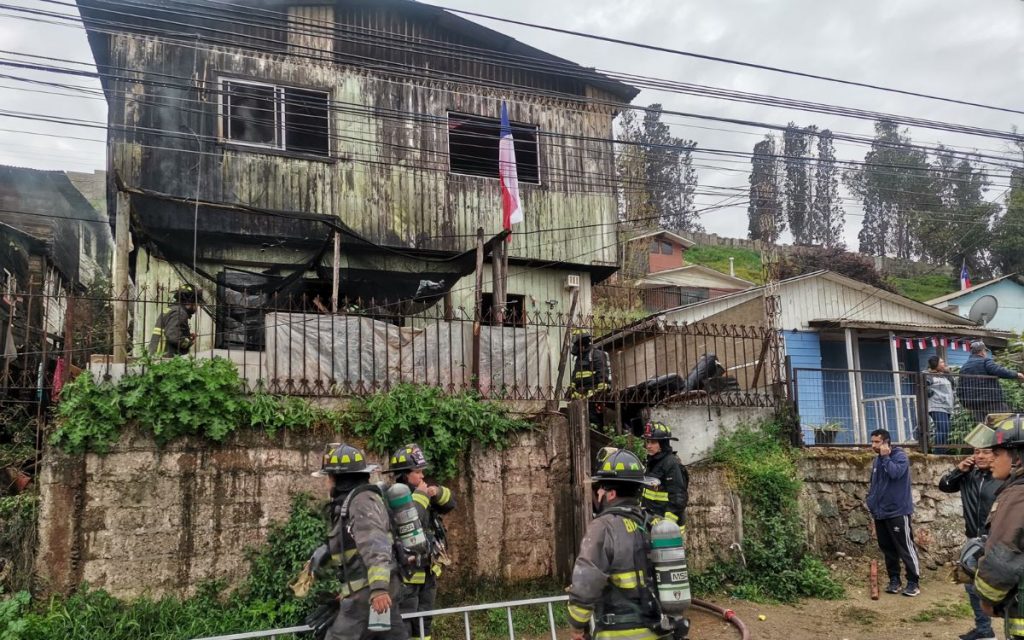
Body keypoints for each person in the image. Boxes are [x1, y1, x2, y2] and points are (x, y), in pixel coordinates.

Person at [307, 443, 408, 640]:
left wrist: (378, 589)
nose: (327, 483)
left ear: (337, 478)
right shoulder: (351, 503)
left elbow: (375, 544)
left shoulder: (361, 502)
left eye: (328, 477)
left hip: (369, 595)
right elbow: (352, 551)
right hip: (369, 592)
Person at [567, 448, 661, 640]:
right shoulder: (655, 524)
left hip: (620, 633)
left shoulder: (603, 527)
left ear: (610, 494)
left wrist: (577, 627)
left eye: (599, 489)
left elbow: (586, 584)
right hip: (659, 630)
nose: (597, 494)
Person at [384, 444, 457, 640]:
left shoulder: (422, 493)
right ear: (404, 475)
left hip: (428, 572)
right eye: (417, 472)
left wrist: (438, 492)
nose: (422, 476)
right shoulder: (395, 499)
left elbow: (451, 504)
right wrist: (421, 497)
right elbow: (411, 524)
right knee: (407, 624)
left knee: (424, 623)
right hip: (407, 577)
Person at [964, 414, 1024, 640]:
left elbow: (1002, 556)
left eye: (997, 454)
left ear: (1017, 458)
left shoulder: (1017, 495)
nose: (992, 460)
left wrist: (986, 600)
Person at [939, 447, 1001, 640]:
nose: (980, 456)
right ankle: (984, 630)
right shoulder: (969, 475)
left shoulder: (1005, 477)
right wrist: (959, 470)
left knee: (1008, 587)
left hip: (998, 542)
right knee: (971, 585)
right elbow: (945, 486)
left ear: (997, 454)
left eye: (986, 452)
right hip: (974, 541)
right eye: (976, 452)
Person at [866, 428, 921, 597]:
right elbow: (875, 484)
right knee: (887, 548)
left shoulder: (899, 456)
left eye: (877, 442)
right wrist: (871, 503)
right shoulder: (877, 461)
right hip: (880, 513)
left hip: (897, 511)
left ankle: (913, 582)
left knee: (905, 547)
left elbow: (895, 473)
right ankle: (894, 580)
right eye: (872, 441)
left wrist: (885, 457)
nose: (873, 445)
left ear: (886, 442)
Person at [958, 341, 1024, 423]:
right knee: (1007, 421)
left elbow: (960, 389)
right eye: (985, 351)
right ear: (982, 352)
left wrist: (965, 403)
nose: (985, 353)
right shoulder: (985, 361)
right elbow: (998, 370)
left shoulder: (964, 368)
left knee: (985, 427)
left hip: (974, 404)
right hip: (991, 400)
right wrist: (1016, 374)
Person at [639, 421, 688, 527]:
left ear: (663, 444)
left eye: (653, 442)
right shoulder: (651, 461)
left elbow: (678, 497)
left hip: (667, 527)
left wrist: (667, 523)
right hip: (652, 520)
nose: (648, 446)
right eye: (647, 442)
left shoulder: (671, 463)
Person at [569, 330, 611, 427]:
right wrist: (572, 387)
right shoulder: (580, 358)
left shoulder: (596, 355)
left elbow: (602, 374)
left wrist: (598, 393)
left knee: (594, 420)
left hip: (593, 395)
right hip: (581, 396)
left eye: (577, 344)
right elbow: (575, 375)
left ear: (582, 344)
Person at [148, 284, 201, 357]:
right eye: (197, 303)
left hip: (158, 354)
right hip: (165, 357)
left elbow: (171, 330)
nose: (197, 306)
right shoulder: (180, 313)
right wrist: (189, 342)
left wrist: (186, 336)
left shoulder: (172, 309)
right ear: (189, 303)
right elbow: (174, 337)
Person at [924, 356, 955, 449]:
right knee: (942, 429)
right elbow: (924, 385)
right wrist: (930, 393)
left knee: (945, 430)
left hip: (947, 406)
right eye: (941, 362)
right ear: (935, 364)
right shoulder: (928, 374)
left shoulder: (944, 375)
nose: (944, 364)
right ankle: (939, 451)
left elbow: (953, 384)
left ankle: (942, 450)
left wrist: (948, 372)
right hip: (936, 405)